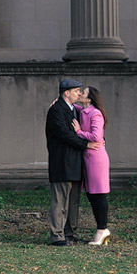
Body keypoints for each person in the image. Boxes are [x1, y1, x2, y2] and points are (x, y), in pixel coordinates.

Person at [45, 78, 100, 246]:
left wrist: (98, 139)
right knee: (60, 200)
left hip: (76, 163)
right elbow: (65, 134)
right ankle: (57, 235)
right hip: (61, 162)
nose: (79, 94)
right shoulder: (56, 111)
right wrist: (86, 144)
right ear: (66, 93)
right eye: (76, 91)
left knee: (73, 202)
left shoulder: (76, 110)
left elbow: (88, 128)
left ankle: (70, 233)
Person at [73, 86, 111, 245]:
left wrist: (79, 132)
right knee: (91, 194)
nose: (80, 93)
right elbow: (74, 106)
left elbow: (96, 136)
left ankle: (102, 229)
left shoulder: (95, 113)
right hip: (89, 158)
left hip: (96, 158)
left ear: (90, 98)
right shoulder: (84, 111)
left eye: (83, 92)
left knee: (99, 194)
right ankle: (101, 229)